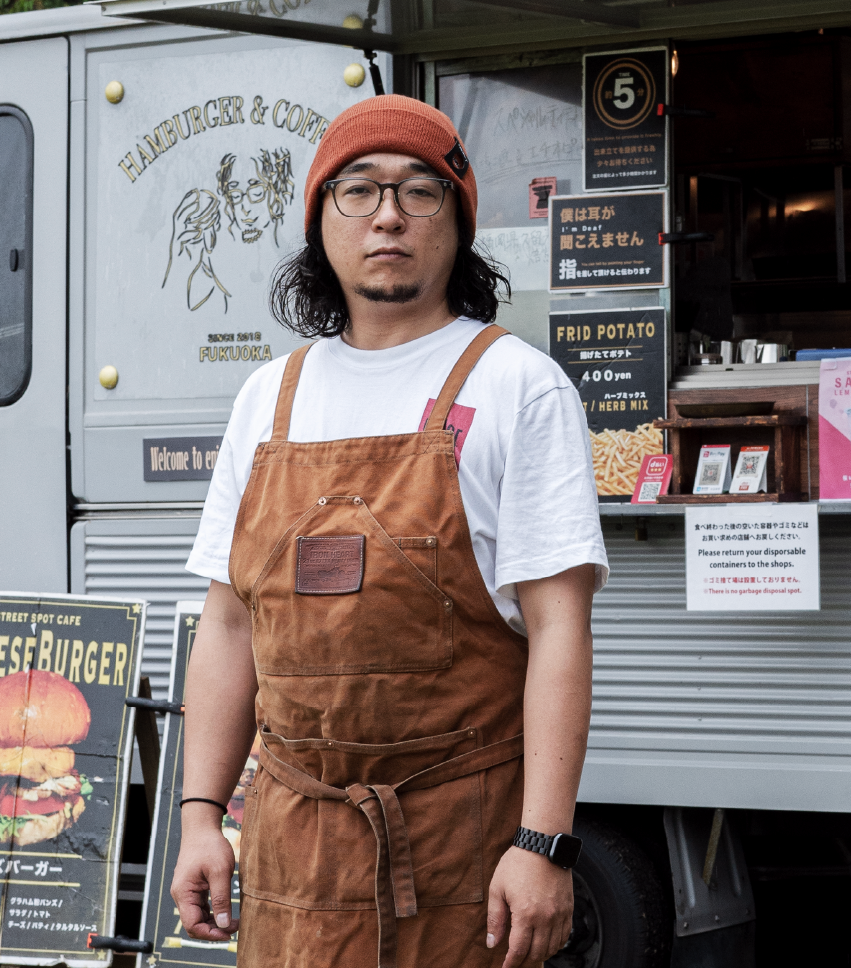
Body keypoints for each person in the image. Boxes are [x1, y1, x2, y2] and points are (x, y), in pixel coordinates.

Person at [172, 94, 607, 968]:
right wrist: (198, 814)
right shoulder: (268, 397)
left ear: (458, 220)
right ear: (319, 218)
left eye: (420, 191)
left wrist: (544, 841)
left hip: (461, 843)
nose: (388, 216)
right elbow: (227, 624)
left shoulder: (522, 385)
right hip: (292, 844)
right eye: (358, 190)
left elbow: (560, 628)